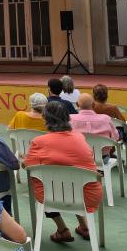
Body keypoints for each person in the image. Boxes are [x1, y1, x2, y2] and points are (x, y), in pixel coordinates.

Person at [21, 101, 102, 243]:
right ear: (67, 117)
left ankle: (62, 229)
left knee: (43, 181)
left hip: (50, 196)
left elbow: (27, 165)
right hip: (86, 195)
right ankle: (84, 226)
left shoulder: (39, 142)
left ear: (45, 119)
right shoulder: (80, 137)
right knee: (69, 183)